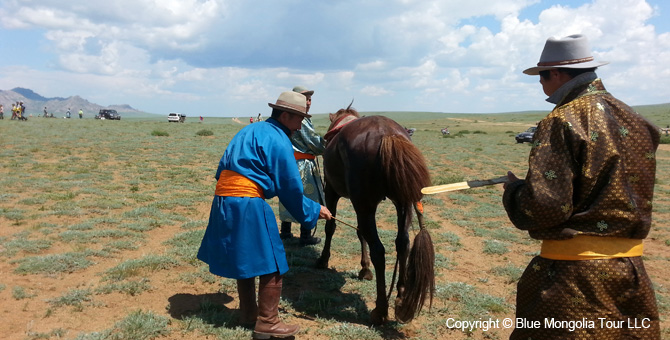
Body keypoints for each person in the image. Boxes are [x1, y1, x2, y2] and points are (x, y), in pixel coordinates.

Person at [503, 34, 660, 339]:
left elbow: (545, 207)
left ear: (558, 74)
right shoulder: (637, 119)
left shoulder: (562, 120)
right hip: (630, 275)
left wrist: (515, 192)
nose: (541, 85)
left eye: (542, 77)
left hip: (573, 277)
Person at [197, 91, 333, 339]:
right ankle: (268, 322)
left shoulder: (249, 131)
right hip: (247, 202)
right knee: (273, 261)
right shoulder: (279, 138)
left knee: (246, 257)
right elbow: (290, 187)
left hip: (224, 200)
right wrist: (314, 209)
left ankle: (249, 313)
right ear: (285, 115)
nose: (301, 124)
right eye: (299, 118)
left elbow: (222, 170)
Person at [278, 86, 326, 246]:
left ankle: (285, 232)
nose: (308, 102)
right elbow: (313, 142)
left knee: (289, 195)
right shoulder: (302, 119)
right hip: (302, 163)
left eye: (310, 99)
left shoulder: (297, 117)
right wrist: (328, 145)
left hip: (291, 161)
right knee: (307, 196)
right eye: (305, 99)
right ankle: (305, 236)